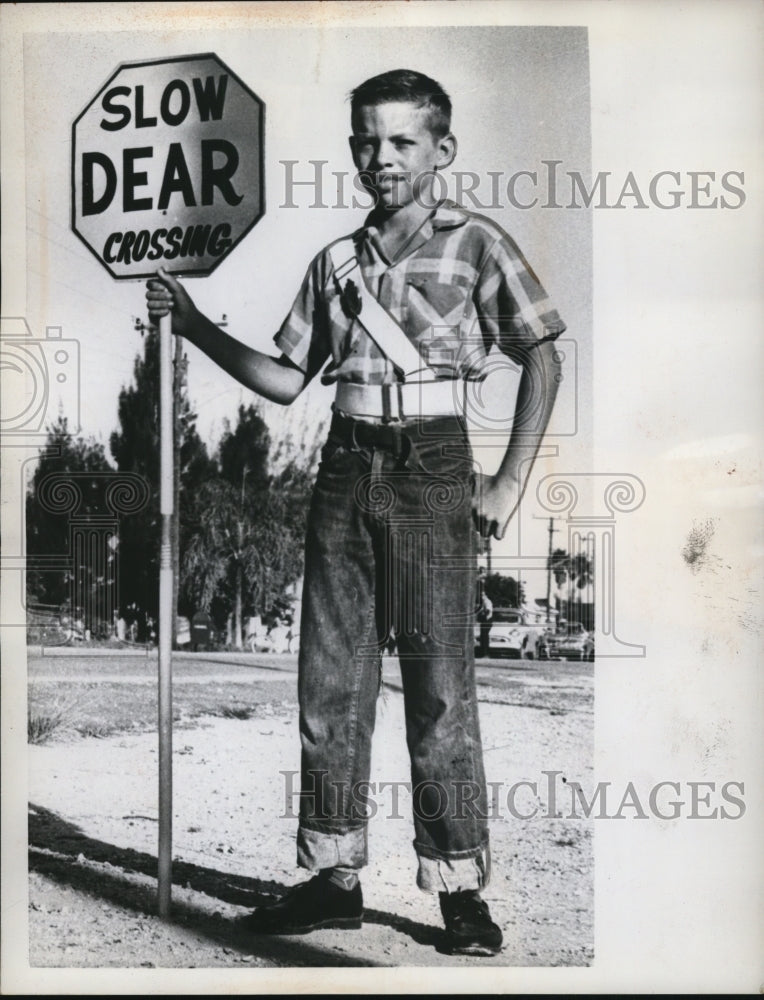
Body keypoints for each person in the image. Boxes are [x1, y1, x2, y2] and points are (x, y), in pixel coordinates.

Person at [146, 68, 565, 956]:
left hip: (433, 464)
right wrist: (191, 325)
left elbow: (544, 356)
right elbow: (287, 379)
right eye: (367, 141)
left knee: (439, 689)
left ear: (442, 150)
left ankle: (457, 888)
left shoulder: (478, 243)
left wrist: (508, 481)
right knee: (329, 686)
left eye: (402, 141)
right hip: (343, 463)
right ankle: (333, 880)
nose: (382, 158)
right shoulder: (335, 262)